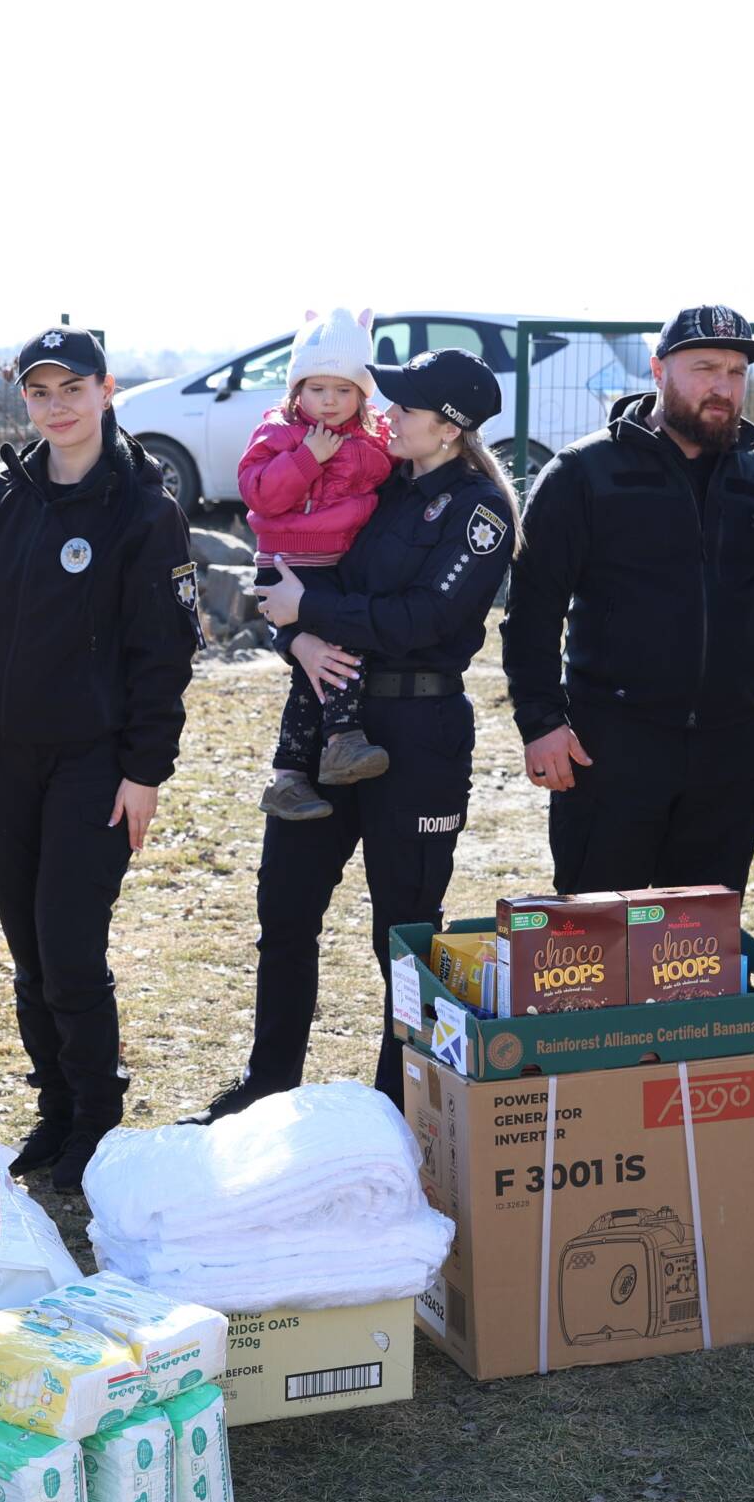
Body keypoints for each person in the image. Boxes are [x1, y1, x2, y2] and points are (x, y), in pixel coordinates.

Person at [201, 349, 520, 1119]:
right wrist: (298, 640)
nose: (388, 413)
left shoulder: (479, 511)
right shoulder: (374, 479)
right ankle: (267, 1085)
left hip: (418, 733)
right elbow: (294, 579)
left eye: (406, 407)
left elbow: (424, 621)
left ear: (449, 429)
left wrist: (311, 615)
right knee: (284, 909)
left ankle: (397, 1105)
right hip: (327, 715)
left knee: (403, 933)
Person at [0, 327, 200, 1194]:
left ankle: (97, 1119)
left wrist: (144, 771)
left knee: (70, 946)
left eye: (71, 387)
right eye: (39, 392)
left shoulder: (142, 508)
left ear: (106, 389)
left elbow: (165, 652)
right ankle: (55, 1107)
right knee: (28, 950)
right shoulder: (1, 500)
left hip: (93, 763)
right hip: (0, 759)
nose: (56, 405)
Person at [501, 305, 754, 895]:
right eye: (704, 368)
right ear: (657, 369)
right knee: (595, 946)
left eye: (735, 372)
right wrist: (541, 721)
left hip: (731, 754)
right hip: (612, 748)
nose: (722, 387)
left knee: (698, 954)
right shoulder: (583, 474)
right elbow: (532, 611)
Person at [238, 308, 398, 819]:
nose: (329, 402)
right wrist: (308, 457)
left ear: (362, 394)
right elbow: (260, 494)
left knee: (316, 667)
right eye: (317, 389)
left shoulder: (370, 438)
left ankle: (290, 776)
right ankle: (342, 739)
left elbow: (386, 482)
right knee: (337, 653)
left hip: (333, 564)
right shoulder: (279, 432)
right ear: (296, 390)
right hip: (286, 564)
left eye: (343, 390)